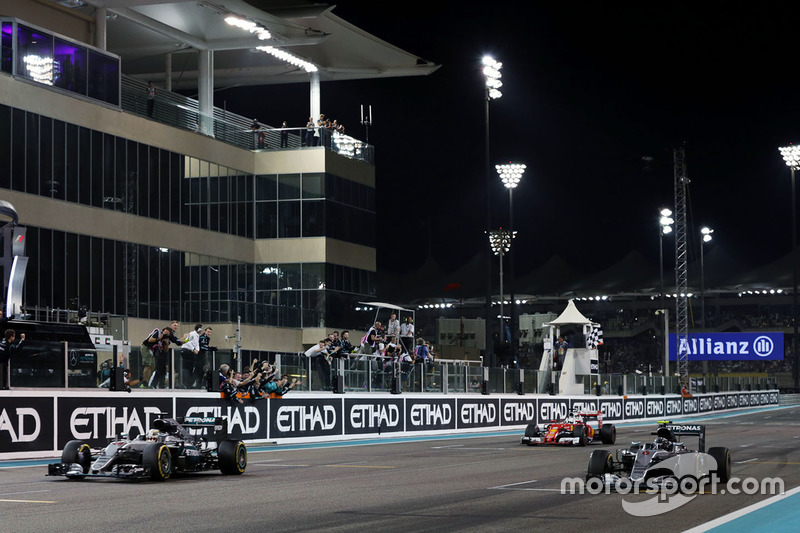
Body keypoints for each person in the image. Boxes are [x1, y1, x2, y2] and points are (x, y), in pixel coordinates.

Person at [180, 323, 202, 388]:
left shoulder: (197, 336)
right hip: (186, 350)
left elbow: (197, 344)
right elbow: (188, 342)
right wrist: (193, 349)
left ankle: (189, 383)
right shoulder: (192, 334)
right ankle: (185, 383)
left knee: (191, 368)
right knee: (187, 368)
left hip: (191, 352)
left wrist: (197, 350)